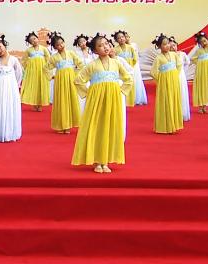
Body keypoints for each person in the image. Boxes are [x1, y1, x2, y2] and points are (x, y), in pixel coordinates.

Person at [72, 35, 133, 173]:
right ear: (94, 50)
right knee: (97, 127)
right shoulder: (92, 65)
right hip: (96, 102)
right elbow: (78, 80)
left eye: (106, 44)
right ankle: (97, 159)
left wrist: (121, 91)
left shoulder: (117, 63)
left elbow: (128, 78)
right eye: (100, 45)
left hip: (113, 100)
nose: (105, 47)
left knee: (110, 126)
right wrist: (89, 94)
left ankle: (105, 161)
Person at [46, 34, 82, 134]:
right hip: (60, 81)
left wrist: (75, 74)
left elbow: (80, 64)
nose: (61, 45)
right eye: (58, 45)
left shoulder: (71, 53)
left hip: (71, 79)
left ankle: (70, 124)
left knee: (71, 99)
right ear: (55, 47)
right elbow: (46, 68)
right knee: (61, 101)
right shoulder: (54, 57)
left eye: (62, 43)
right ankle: (62, 125)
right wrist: (51, 76)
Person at [150, 34, 184, 134]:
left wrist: (175, 74)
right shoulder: (158, 58)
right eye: (164, 44)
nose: (167, 46)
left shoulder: (174, 55)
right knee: (167, 101)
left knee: (174, 100)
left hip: (174, 81)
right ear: (159, 46)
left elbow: (179, 64)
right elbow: (153, 72)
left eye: (168, 43)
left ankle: (175, 124)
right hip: (164, 83)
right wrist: (161, 79)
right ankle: (167, 126)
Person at [113, 30, 147, 106]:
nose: (121, 39)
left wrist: (130, 66)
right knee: (123, 84)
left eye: (122, 37)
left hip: (130, 69)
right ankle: (123, 101)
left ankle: (132, 100)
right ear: (116, 40)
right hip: (121, 70)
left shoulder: (130, 47)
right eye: (119, 38)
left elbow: (135, 58)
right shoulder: (115, 50)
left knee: (131, 83)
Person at [20, 31, 51, 112]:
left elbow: (48, 59)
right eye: (31, 41)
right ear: (30, 43)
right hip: (33, 72)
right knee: (34, 86)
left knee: (41, 86)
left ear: (37, 38)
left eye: (34, 39)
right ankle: (34, 103)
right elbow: (23, 60)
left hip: (42, 70)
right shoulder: (28, 50)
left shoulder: (44, 48)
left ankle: (40, 104)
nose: (34, 41)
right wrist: (28, 66)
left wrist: (47, 68)